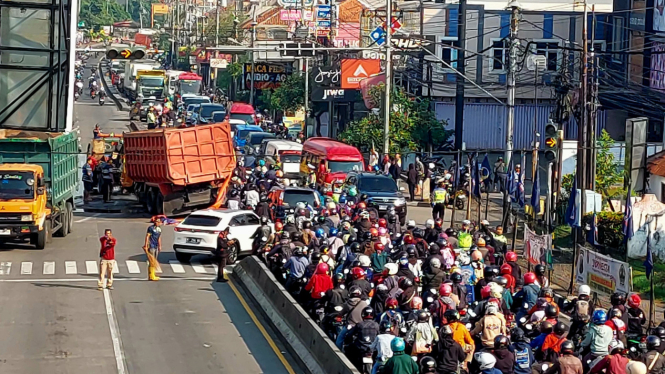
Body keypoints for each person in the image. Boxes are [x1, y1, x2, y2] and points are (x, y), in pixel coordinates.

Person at [143, 217, 163, 281]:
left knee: (154, 261)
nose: (157, 223)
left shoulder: (159, 229)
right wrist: (146, 245)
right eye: (156, 221)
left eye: (159, 222)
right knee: (151, 261)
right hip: (151, 245)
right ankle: (151, 275)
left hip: (156, 246)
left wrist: (159, 246)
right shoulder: (151, 228)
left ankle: (153, 274)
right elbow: (147, 236)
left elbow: (159, 238)